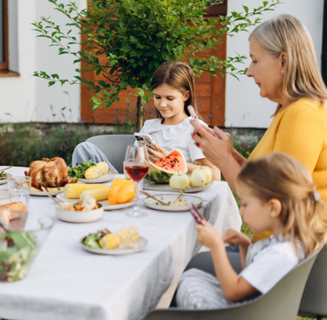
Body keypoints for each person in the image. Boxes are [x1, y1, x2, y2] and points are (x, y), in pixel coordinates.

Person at [191, 14, 327, 241]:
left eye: (255, 60)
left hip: (281, 262)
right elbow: (264, 179)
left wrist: (223, 160)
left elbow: (273, 204)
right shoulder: (289, 109)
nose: (248, 71)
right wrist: (227, 152)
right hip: (268, 251)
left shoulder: (303, 114)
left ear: (283, 61)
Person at [176, 153, 326, 309]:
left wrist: (216, 247)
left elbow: (234, 292)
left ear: (273, 208)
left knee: (189, 284)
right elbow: (254, 275)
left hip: (243, 312)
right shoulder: (289, 240)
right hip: (252, 306)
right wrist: (245, 245)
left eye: (246, 204)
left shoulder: (281, 253)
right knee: (192, 277)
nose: (241, 211)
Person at [72, 61, 221, 180]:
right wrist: (142, 161)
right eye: (157, 97)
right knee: (84, 149)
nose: (162, 104)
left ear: (185, 95)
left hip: (173, 189)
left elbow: (215, 174)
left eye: (169, 98)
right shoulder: (149, 126)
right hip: (140, 183)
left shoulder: (194, 128)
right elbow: (134, 166)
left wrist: (172, 162)